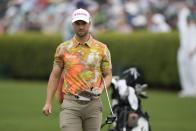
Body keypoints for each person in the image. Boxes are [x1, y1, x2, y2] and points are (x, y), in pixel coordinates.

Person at [42, 8, 112, 131]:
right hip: (70, 103)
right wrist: (48, 102)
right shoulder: (63, 48)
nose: (81, 27)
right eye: (77, 23)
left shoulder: (102, 48)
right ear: (72, 25)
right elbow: (55, 76)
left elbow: (108, 75)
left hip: (94, 104)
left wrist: (101, 89)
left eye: (83, 23)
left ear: (89, 24)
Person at [177, 4, 196, 97]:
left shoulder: (193, 28)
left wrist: (192, 51)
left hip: (193, 53)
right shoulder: (186, 28)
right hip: (186, 52)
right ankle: (187, 89)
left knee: (194, 70)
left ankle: (194, 89)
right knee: (185, 70)